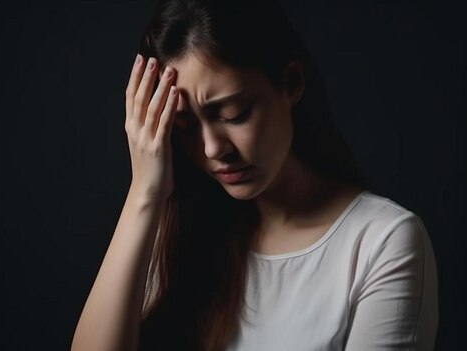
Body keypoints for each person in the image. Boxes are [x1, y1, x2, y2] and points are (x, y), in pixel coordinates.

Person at [71, 0, 438, 350]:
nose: (213, 148)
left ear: (291, 82)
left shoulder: (382, 242)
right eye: (184, 126)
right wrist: (144, 194)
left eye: (233, 113)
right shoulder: (173, 232)